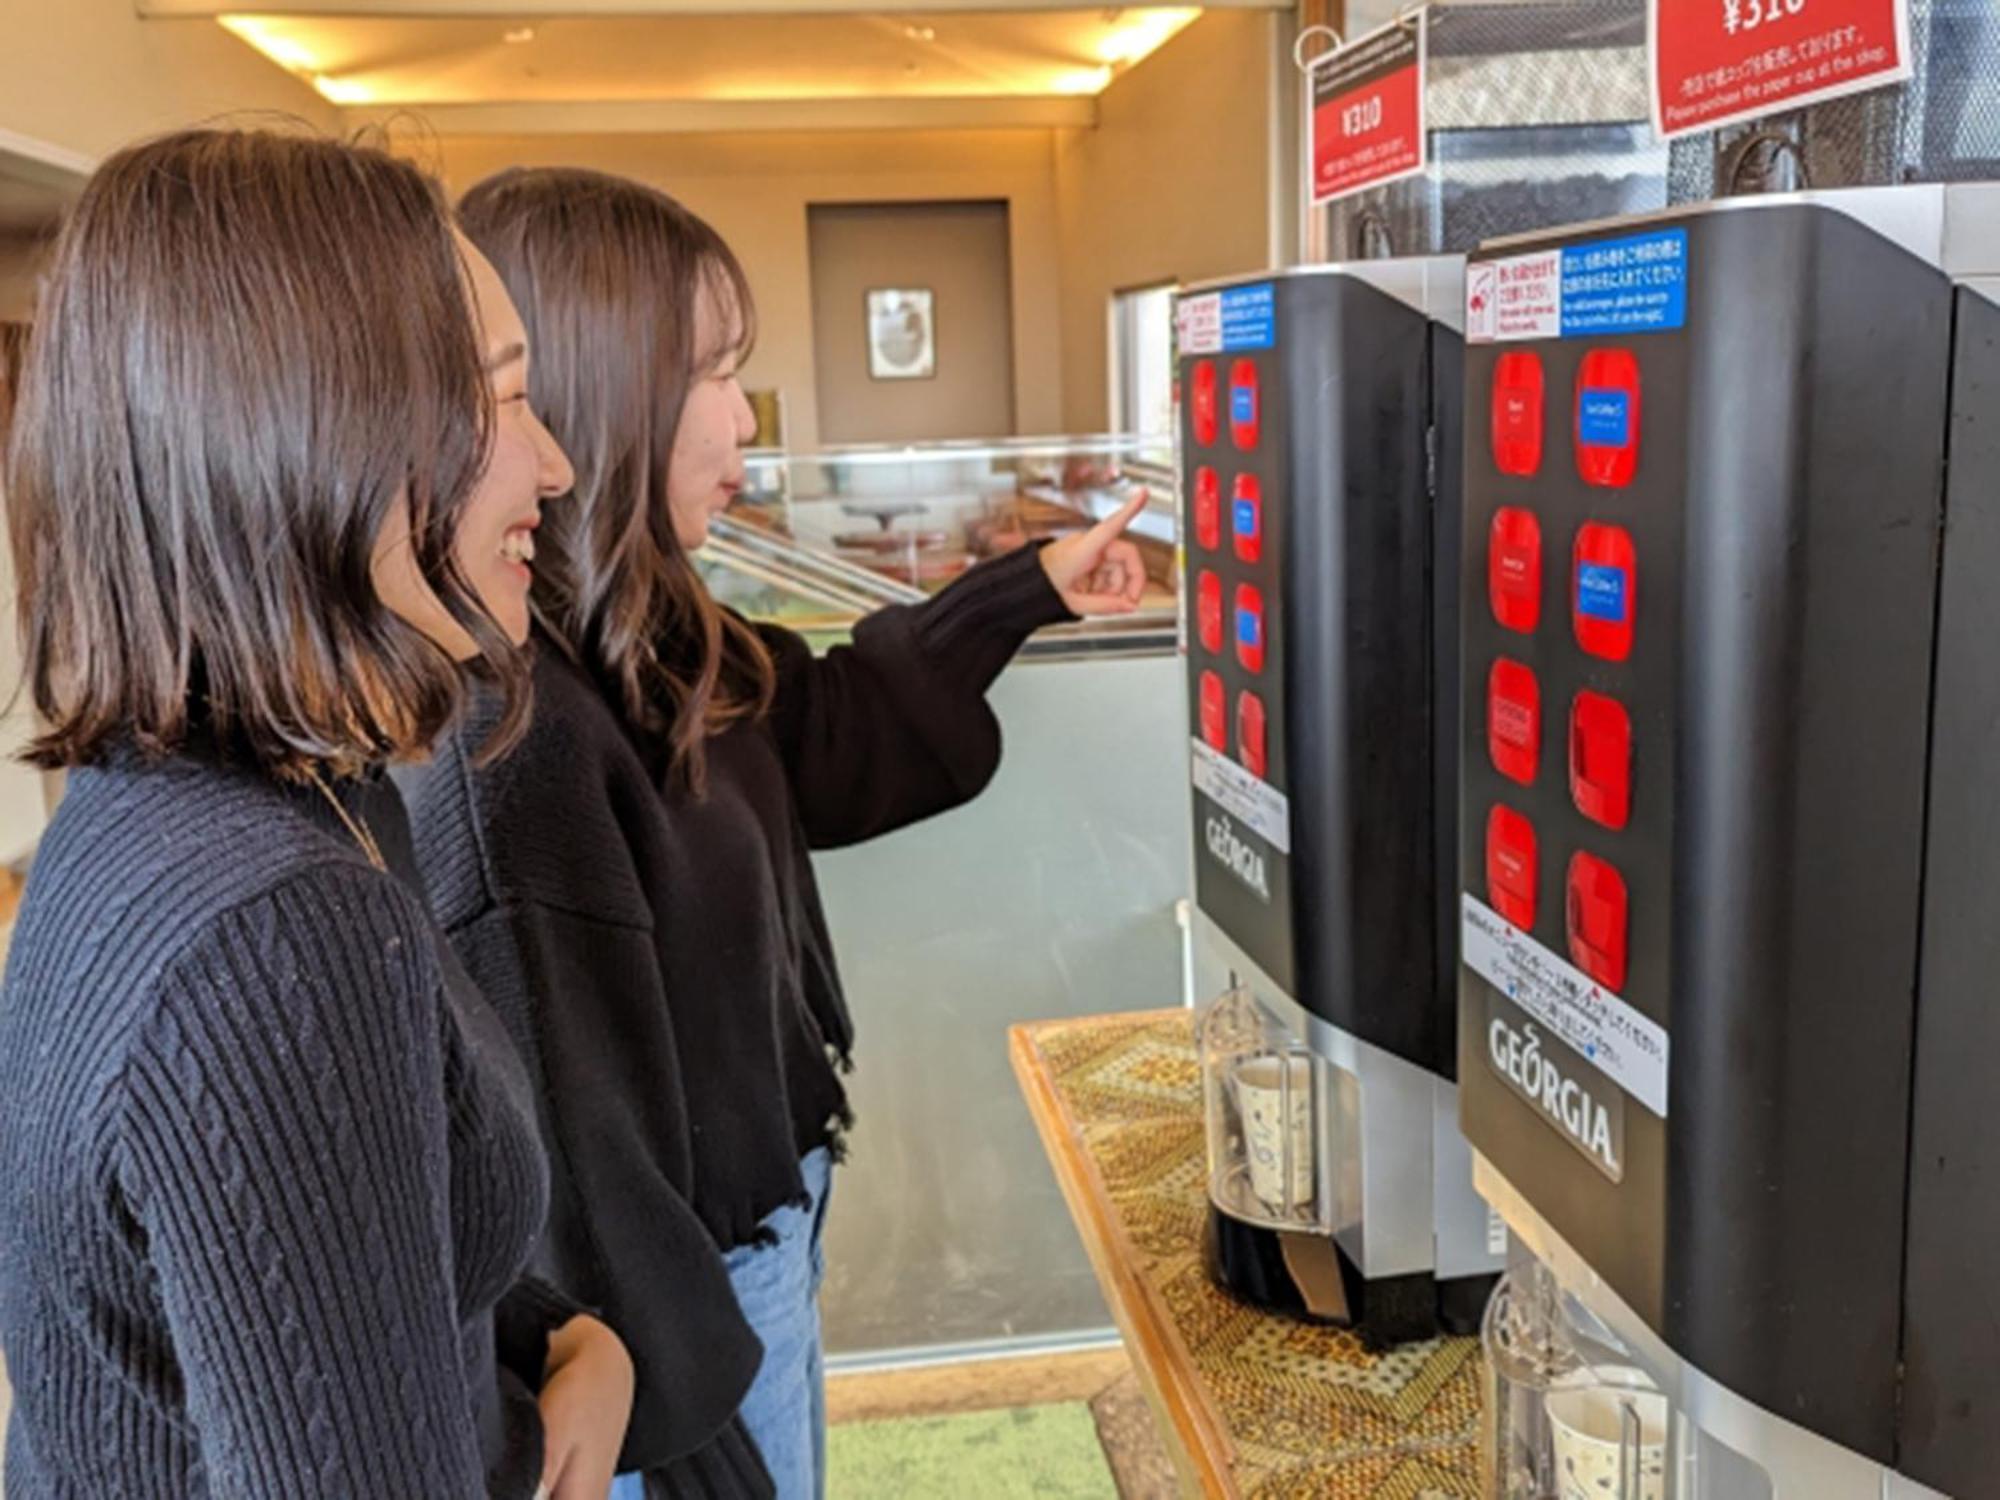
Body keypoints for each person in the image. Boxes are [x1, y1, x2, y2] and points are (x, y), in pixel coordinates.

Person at [398, 165, 1149, 1499]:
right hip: (676, 1309)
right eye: (714, 372)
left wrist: (1025, 590)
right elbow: (571, 1169)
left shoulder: (660, 636)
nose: (746, 416)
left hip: (752, 1235)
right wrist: (693, 1427)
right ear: (607, 389)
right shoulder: (521, 737)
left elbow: (833, 729)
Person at [0, 128, 643, 1499]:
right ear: (308, 432)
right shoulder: (275, 931)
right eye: (503, 400)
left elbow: (297, 1266)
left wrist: (562, 1339)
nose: (554, 468)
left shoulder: (233, 800)